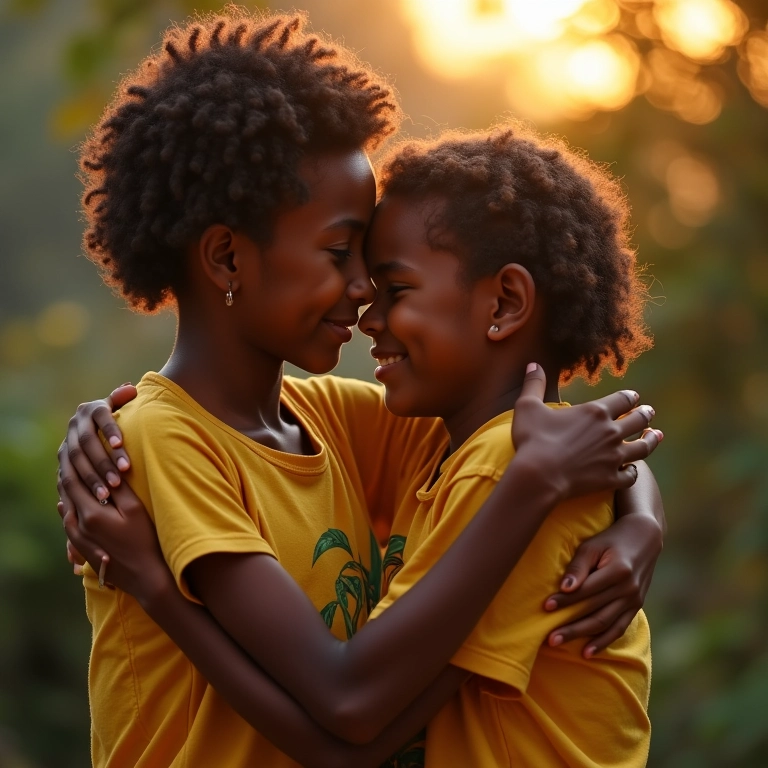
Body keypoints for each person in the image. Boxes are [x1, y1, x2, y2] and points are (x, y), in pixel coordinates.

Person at [57, 9, 663, 768]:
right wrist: (152, 583)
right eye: (340, 252)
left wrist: (640, 517)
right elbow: (347, 701)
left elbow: (544, 439)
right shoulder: (161, 441)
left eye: (381, 276)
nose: (362, 292)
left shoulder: (330, 423)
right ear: (227, 258)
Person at [356, 124, 657, 766]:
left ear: (505, 303)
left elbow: (356, 716)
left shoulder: (511, 469)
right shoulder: (466, 445)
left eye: (396, 291)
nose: (367, 319)